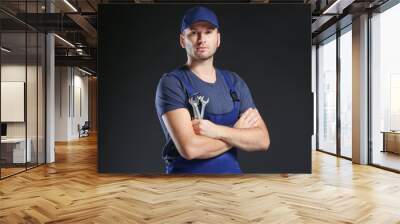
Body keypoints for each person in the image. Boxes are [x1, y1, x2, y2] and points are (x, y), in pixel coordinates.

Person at [155, 6, 270, 174]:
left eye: (208, 32)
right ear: (182, 40)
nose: (202, 39)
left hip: (231, 184)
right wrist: (237, 134)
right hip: (184, 186)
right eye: (194, 32)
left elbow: (262, 140)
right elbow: (190, 149)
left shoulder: (234, 83)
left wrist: (216, 131)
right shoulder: (172, 83)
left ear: (218, 39)